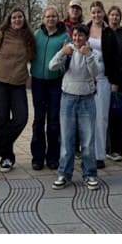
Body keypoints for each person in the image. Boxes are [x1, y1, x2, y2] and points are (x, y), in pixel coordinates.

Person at [0, 7, 35, 173]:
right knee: (1, 119)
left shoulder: (28, 38)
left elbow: (33, 58)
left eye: (20, 17)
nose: (17, 20)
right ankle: (6, 157)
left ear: (24, 20)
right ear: (9, 20)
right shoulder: (1, 34)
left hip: (18, 83)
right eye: (14, 17)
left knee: (21, 118)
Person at [50, 24, 103, 190]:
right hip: (68, 98)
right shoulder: (68, 50)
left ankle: (90, 174)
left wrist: (87, 55)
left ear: (86, 38)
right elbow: (51, 66)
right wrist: (61, 53)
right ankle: (64, 174)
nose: (77, 39)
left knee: (87, 141)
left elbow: (95, 72)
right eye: (74, 35)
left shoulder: (91, 52)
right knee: (67, 139)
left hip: (87, 99)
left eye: (80, 36)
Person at [30, 5, 71, 171]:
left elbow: (69, 58)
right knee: (39, 120)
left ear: (58, 18)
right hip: (38, 81)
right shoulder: (37, 34)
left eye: (53, 16)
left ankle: (53, 157)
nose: (51, 19)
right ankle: (37, 157)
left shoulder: (65, 36)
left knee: (54, 121)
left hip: (56, 82)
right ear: (43, 19)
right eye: (48, 17)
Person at [103, 5, 122, 161]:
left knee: (119, 116)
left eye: (117, 15)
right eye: (112, 15)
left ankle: (118, 149)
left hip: (118, 83)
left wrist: (118, 83)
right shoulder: (103, 33)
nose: (114, 17)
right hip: (103, 82)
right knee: (105, 116)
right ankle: (106, 148)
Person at [86, 1, 111, 169]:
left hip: (103, 79)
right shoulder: (84, 29)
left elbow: (115, 56)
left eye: (99, 12)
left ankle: (100, 154)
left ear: (103, 13)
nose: (96, 15)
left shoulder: (109, 32)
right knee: (87, 118)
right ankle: (88, 152)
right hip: (86, 79)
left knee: (101, 117)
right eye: (93, 12)